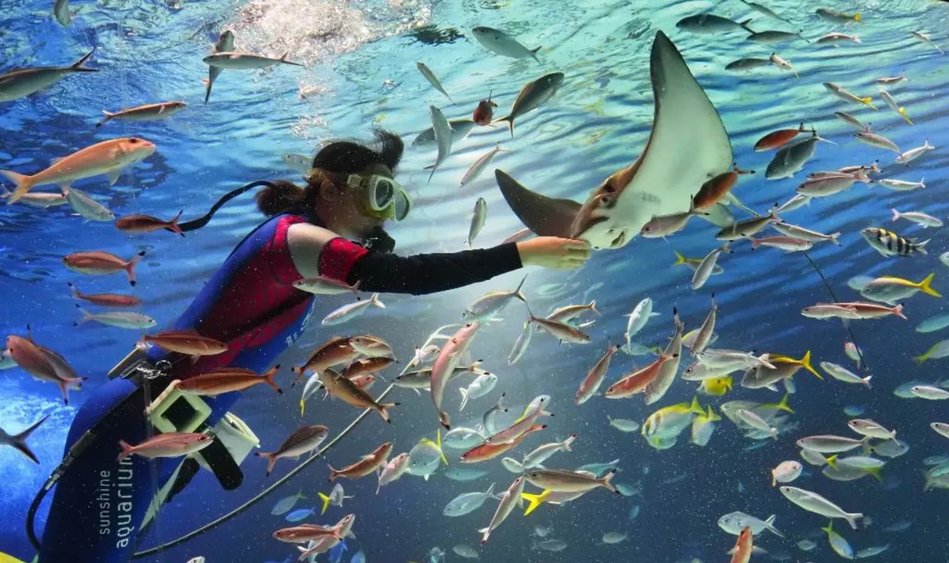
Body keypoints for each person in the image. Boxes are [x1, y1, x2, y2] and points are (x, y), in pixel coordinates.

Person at [34, 129, 590, 562]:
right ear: (328, 185)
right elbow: (408, 277)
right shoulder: (293, 238)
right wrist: (522, 253)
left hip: (164, 424)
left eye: (391, 202)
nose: (378, 215)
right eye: (376, 194)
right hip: (136, 421)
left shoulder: (304, 253)